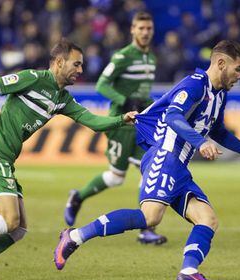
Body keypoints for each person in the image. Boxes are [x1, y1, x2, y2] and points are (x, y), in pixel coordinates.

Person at [54, 40, 240, 280]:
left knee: (207, 219)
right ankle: (74, 236)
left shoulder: (219, 95)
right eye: (237, 69)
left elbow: (219, 131)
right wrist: (200, 142)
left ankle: (189, 272)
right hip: (165, 155)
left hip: (180, 167)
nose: (239, 76)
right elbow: (172, 115)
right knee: (150, 217)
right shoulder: (195, 84)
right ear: (221, 63)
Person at [0, 38, 137, 280]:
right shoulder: (34, 78)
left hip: (5, 159)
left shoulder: (62, 98)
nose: (80, 70)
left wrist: (122, 119)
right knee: (9, 221)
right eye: (76, 64)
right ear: (58, 62)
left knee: (18, 229)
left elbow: (93, 121)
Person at [64, 12, 167, 245]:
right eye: (141, 28)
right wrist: (124, 100)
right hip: (122, 123)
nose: (145, 32)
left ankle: (147, 228)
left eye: (149, 28)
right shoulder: (123, 56)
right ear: (132, 30)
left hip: (141, 123)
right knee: (115, 178)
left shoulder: (151, 56)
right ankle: (78, 196)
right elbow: (102, 84)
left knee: (152, 170)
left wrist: (153, 106)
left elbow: (141, 93)